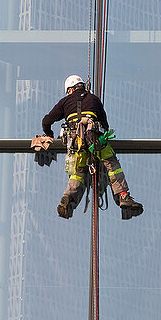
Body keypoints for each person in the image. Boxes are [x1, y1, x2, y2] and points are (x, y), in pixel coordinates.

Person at [35, 75, 143, 220]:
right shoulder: (94, 99)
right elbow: (105, 124)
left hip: (76, 142)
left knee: (78, 172)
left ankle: (67, 198)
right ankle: (123, 196)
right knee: (112, 165)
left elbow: (46, 120)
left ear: (70, 89)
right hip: (94, 138)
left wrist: (49, 134)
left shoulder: (65, 101)